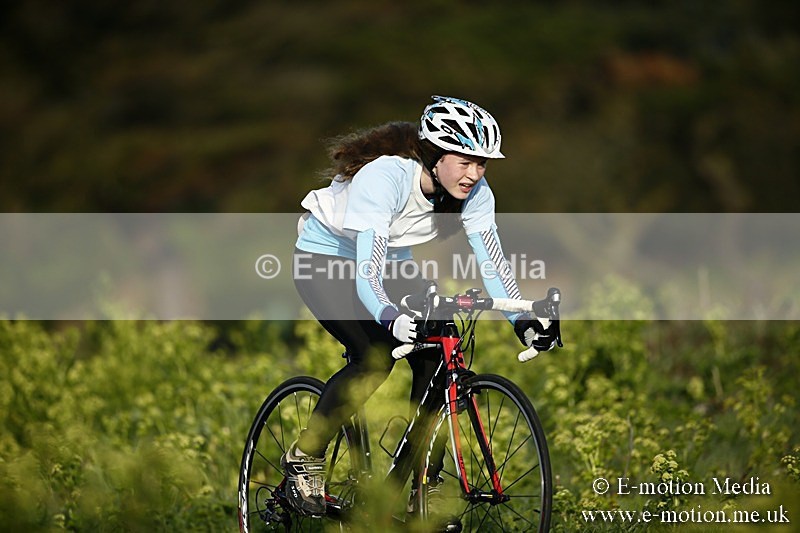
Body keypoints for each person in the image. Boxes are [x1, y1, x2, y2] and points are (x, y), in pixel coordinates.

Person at [285, 95, 559, 516]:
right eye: (465, 161)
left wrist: (522, 319)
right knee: (373, 358)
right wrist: (389, 316)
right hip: (325, 261)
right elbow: (367, 273)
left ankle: (422, 482)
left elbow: (492, 263)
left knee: (440, 343)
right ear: (436, 155)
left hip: (392, 261)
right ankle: (305, 458)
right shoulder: (385, 177)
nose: (475, 173)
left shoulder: (476, 193)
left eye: (482, 163)